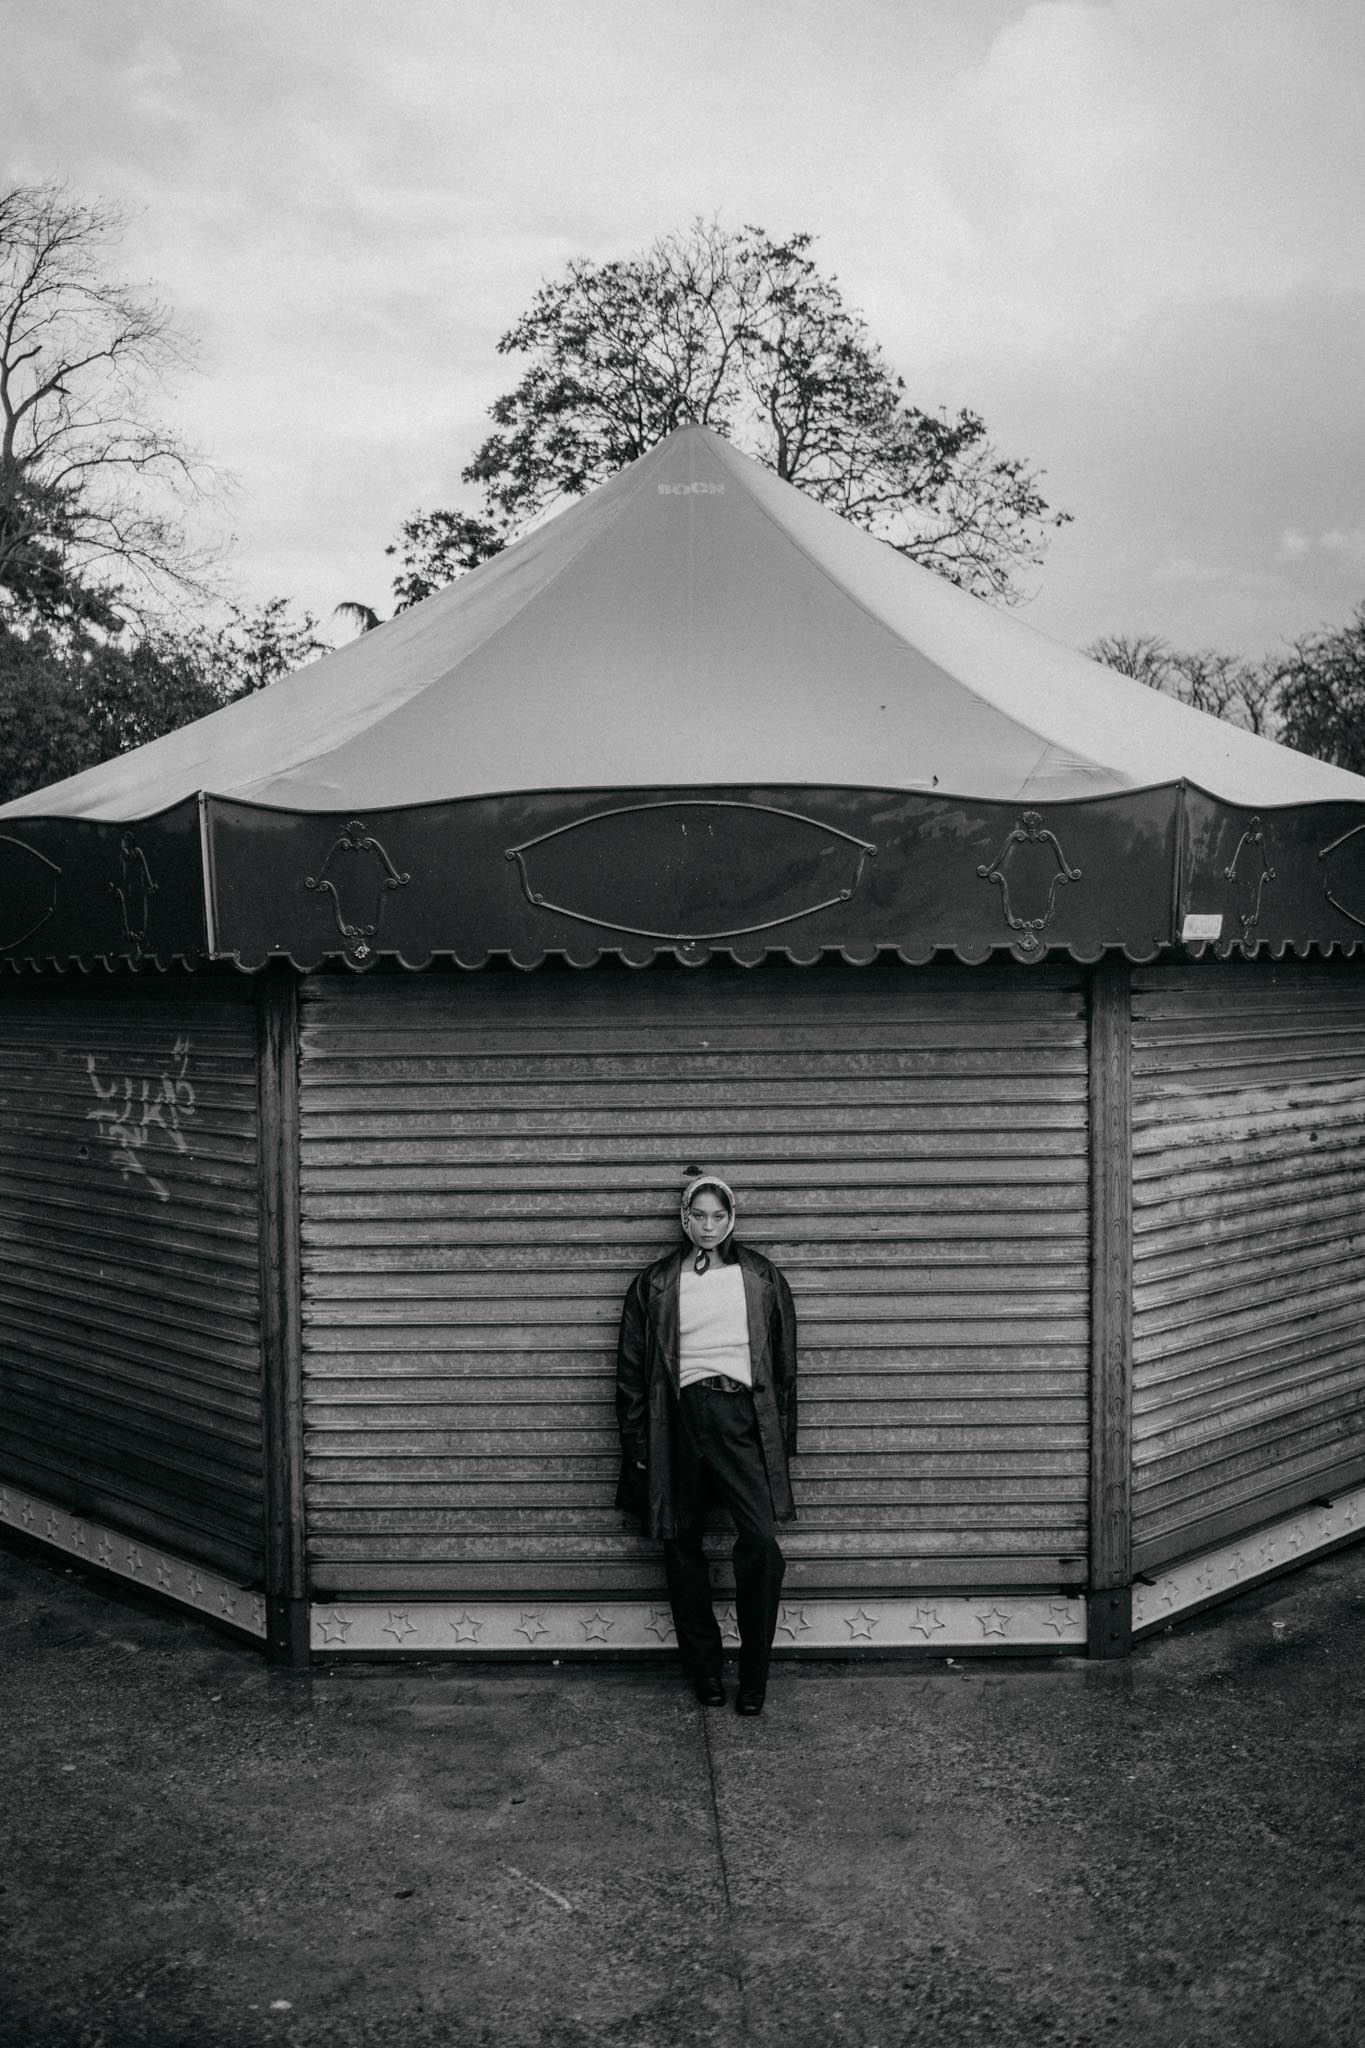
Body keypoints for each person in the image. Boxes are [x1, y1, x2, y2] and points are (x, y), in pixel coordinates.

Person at [616, 1168, 798, 1716]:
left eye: (719, 1216)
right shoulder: (655, 1281)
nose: (709, 1226)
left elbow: (784, 1365)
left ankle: (754, 1677)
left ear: (732, 1218)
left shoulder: (761, 1275)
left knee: (760, 1543)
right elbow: (631, 1371)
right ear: (684, 1218)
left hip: (741, 1416)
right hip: (675, 1418)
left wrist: (779, 1443)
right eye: (699, 1215)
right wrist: (638, 1444)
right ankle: (706, 1671)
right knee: (681, 1545)